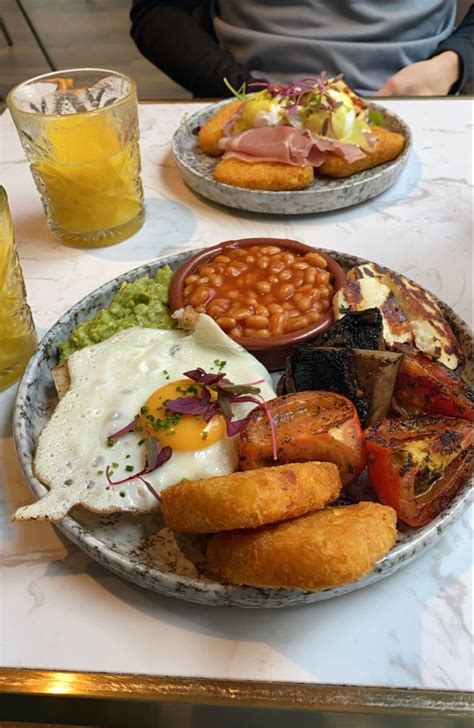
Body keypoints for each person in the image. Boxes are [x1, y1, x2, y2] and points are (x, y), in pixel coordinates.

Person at [130, 1, 473, 98]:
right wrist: (244, 89)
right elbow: (158, 10)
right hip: (247, 99)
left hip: (418, 97)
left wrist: (453, 63)